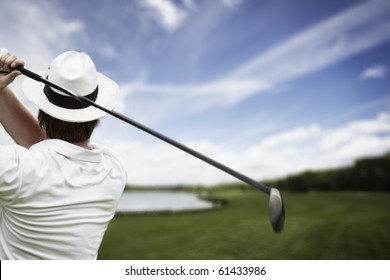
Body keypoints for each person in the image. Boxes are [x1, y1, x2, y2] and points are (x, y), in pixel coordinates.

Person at [0, 48, 127, 259]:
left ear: (42, 114)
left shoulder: (14, 166)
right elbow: (45, 149)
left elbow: (43, 150)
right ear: (95, 115)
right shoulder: (114, 168)